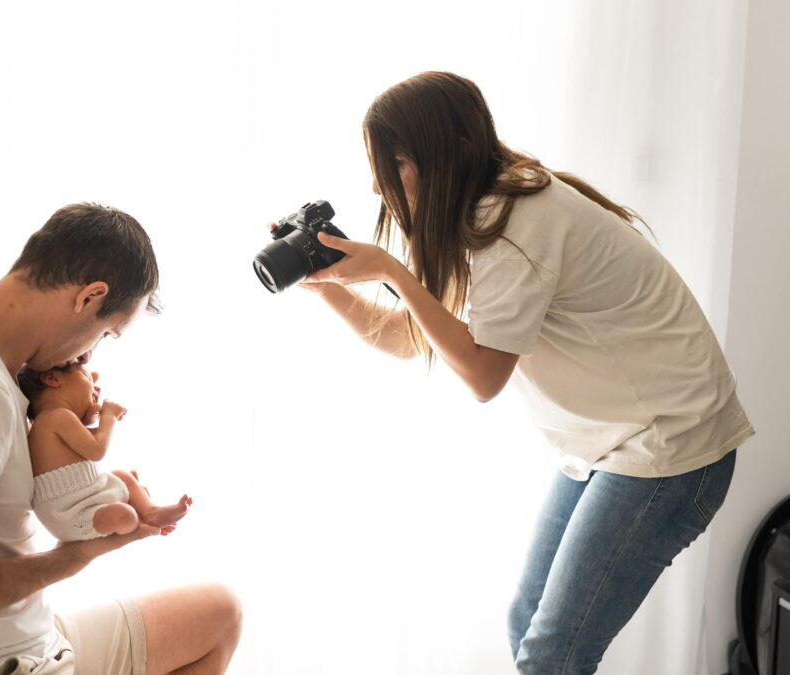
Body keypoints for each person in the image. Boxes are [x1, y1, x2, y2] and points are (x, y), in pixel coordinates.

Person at [292, 72, 754, 673]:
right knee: (530, 623)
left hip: (673, 444)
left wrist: (395, 274)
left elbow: (484, 378)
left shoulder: (514, 224)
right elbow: (413, 339)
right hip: (615, 440)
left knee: (553, 654)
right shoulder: (478, 216)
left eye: (397, 162)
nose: (382, 182)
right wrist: (323, 282)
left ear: (448, 151)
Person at [0, 203, 241, 675]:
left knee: (219, 613)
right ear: (89, 297)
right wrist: (76, 556)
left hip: (24, 636)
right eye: (106, 333)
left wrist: (54, 411)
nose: (88, 355)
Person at [17, 361, 192, 542]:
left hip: (84, 497)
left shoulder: (49, 421)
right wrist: (109, 417)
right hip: (70, 513)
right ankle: (141, 517)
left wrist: (94, 417)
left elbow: (86, 438)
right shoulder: (56, 416)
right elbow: (97, 450)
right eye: (87, 378)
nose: (96, 388)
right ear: (52, 379)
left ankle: (150, 511)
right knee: (126, 516)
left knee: (122, 476)